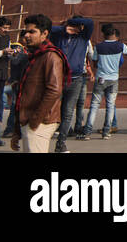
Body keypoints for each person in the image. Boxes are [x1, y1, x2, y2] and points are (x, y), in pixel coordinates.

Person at [11, 14, 68, 154]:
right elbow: (23, 94)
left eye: (32, 32)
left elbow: (54, 90)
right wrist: (18, 130)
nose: (27, 36)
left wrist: (36, 120)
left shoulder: (50, 56)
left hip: (41, 121)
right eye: (26, 32)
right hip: (30, 120)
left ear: (45, 34)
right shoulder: (35, 56)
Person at [50, 13, 93, 151]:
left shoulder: (83, 38)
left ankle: (60, 143)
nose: (74, 28)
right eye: (72, 26)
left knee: (68, 112)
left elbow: (90, 22)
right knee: (51, 109)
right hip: (57, 79)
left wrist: (71, 21)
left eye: (77, 26)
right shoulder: (59, 36)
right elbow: (48, 29)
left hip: (76, 80)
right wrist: (65, 28)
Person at [86, 23, 127, 139]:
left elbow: (95, 63)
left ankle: (87, 132)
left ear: (104, 35)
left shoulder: (98, 46)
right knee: (110, 105)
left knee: (94, 105)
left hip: (101, 78)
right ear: (115, 34)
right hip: (113, 79)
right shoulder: (120, 46)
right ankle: (106, 131)